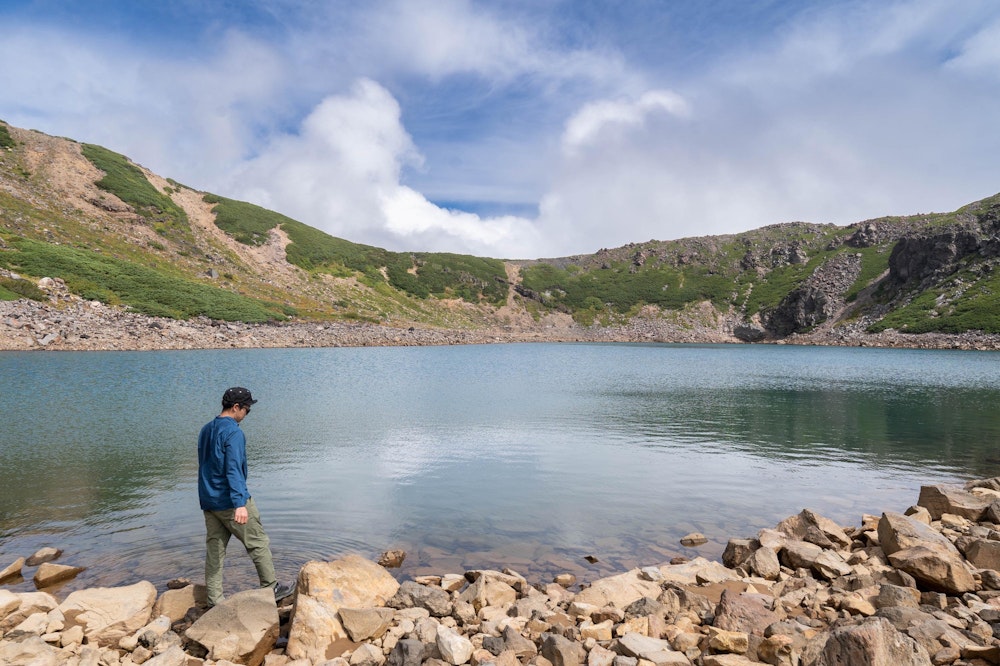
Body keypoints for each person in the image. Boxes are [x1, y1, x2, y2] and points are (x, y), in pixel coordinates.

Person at [197, 386, 294, 607]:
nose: (247, 413)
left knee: (215, 551)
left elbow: (205, 466)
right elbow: (233, 469)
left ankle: (214, 599)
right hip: (231, 501)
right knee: (258, 542)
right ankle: (271, 588)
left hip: (209, 501)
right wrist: (240, 503)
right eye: (247, 409)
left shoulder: (206, 429)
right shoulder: (233, 432)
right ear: (236, 407)